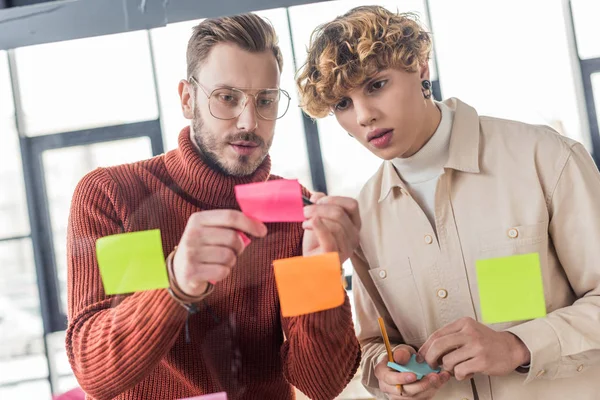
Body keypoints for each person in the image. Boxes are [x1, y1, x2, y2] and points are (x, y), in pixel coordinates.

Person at [296, 5, 600, 400]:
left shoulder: (545, 158)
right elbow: (374, 343)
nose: (365, 116)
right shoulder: (363, 214)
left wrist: (519, 345)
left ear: (421, 68)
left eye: (376, 85)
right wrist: (386, 373)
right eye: (343, 104)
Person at [66, 13, 361, 400]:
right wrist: (175, 281)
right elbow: (97, 373)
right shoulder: (117, 196)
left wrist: (321, 273)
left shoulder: (292, 213)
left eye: (266, 100)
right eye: (227, 97)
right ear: (188, 99)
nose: (249, 121)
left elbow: (321, 385)